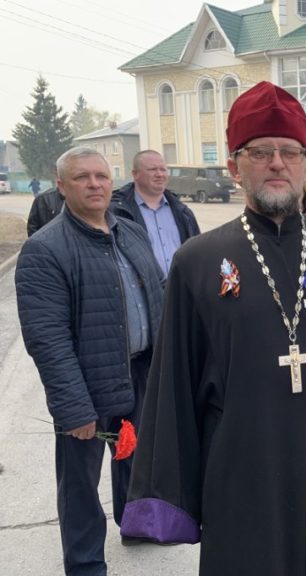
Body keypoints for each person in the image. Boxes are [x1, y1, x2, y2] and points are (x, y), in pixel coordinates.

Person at [120, 81, 306, 576]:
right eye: (260, 152)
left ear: (305, 164)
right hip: (240, 464)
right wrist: (170, 491)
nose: (277, 163)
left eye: (290, 152)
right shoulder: (197, 261)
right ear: (235, 167)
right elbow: (173, 385)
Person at [15, 147, 165, 576]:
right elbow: (47, 339)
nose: (94, 184)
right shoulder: (45, 249)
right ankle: (84, 564)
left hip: (139, 371)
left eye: (101, 175)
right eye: (82, 177)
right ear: (61, 186)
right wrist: (73, 408)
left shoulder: (129, 231)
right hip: (87, 382)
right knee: (80, 482)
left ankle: (135, 525)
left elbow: (159, 291)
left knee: (135, 459)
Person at [111, 150, 200, 275]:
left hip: (181, 285)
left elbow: (198, 253)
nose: (160, 174)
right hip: (142, 286)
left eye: (163, 169)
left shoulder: (183, 212)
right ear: (135, 174)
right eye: (152, 169)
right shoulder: (117, 213)